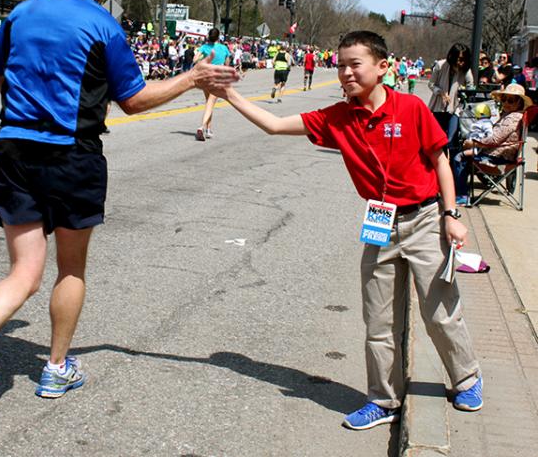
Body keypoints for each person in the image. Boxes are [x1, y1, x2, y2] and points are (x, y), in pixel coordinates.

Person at [0, 0, 238, 427]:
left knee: (23, 273)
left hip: (12, 149)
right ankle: (56, 369)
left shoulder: (19, 14)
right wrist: (192, 78)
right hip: (71, 156)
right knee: (71, 270)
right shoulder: (101, 25)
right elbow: (134, 99)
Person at [218, 30, 482, 430]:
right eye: (340, 65)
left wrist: (451, 214)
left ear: (382, 66)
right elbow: (274, 125)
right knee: (378, 320)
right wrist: (229, 96)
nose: (345, 72)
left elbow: (441, 161)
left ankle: (467, 379)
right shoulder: (339, 118)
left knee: (440, 313)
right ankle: (383, 399)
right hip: (381, 224)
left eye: (354, 64)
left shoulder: (411, 108)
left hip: (426, 219)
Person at [453, 83, 531, 204]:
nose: (506, 103)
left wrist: (473, 143)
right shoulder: (510, 115)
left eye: (511, 101)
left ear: (519, 103)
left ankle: (462, 194)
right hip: (499, 154)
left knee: (459, 158)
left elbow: (494, 140)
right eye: (504, 99)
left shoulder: (513, 118)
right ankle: (460, 191)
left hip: (497, 158)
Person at [427, 43, 474, 152]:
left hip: (456, 108)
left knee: (451, 139)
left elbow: (470, 87)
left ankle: (451, 163)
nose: (460, 62)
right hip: (439, 107)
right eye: (458, 59)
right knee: (438, 138)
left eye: (463, 59)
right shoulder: (440, 65)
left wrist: (464, 93)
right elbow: (431, 84)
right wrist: (441, 93)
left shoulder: (466, 70)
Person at [194, 27, 231, 141]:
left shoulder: (204, 47)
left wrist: (202, 60)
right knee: (210, 103)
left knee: (208, 103)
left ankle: (209, 129)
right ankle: (203, 127)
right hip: (217, 77)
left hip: (206, 77)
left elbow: (195, 59)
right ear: (218, 36)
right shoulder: (223, 48)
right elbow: (227, 62)